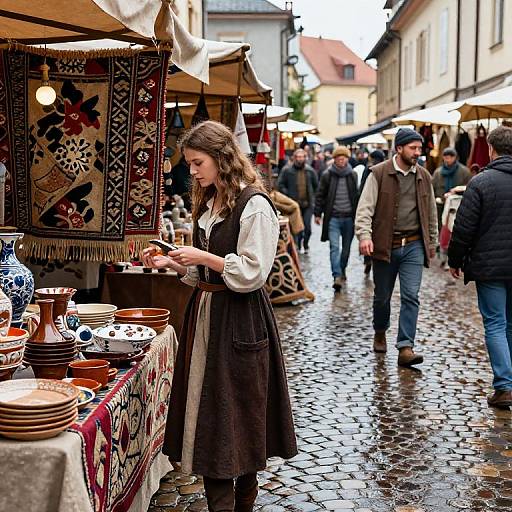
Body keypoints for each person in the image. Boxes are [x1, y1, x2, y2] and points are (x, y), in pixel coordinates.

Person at [142, 120, 297, 511]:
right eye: (190, 164)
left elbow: (252, 272)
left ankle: (243, 499)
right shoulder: (209, 203)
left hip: (241, 320)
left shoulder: (255, 205)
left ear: (221, 158)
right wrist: (171, 262)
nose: (191, 171)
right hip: (205, 317)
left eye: (197, 163)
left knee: (240, 416)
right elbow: (204, 273)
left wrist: (203, 256)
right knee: (210, 417)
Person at [355, 127, 438, 367]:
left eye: (419, 148)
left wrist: (431, 240)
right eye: (413, 148)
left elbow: (431, 211)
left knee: (411, 296)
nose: (417, 153)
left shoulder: (423, 175)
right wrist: (364, 236)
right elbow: (365, 209)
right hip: (385, 245)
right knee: (382, 297)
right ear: (399, 148)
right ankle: (380, 330)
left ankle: (406, 347)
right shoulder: (378, 174)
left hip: (413, 245)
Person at [448, 126, 512, 409]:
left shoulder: (481, 182)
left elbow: (463, 227)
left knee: (496, 323)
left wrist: (455, 260)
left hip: (489, 266)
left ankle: (504, 385)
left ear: (491, 149)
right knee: (509, 323)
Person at [314, 146, 358, 290]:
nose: (341, 159)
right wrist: (317, 213)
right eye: (339, 157)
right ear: (334, 159)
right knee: (334, 247)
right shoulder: (327, 175)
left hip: (349, 218)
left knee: (346, 249)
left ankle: (342, 268)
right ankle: (337, 276)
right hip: (333, 217)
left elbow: (356, 196)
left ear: (347, 159)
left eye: (344, 157)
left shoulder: (352, 175)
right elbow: (320, 195)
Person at [278, 148, 318, 253]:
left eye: (302, 157)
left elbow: (316, 186)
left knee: (308, 227)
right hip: (295, 205)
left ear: (305, 158)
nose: (300, 159)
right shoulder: (287, 170)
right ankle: (298, 245)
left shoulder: (310, 171)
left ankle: (306, 244)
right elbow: (280, 185)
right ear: (294, 158)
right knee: (297, 227)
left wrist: (314, 199)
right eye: (298, 157)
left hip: (308, 204)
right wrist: (287, 195)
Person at [431, 147, 471, 231]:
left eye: (449, 157)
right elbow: (432, 188)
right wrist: (437, 198)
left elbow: (469, 188)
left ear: (454, 157)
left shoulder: (464, 172)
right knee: (440, 226)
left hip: (457, 205)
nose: (447, 160)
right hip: (440, 204)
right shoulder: (438, 172)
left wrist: (456, 192)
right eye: (445, 157)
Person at [359, 149, 386, 275]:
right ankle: (373, 259)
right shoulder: (383, 170)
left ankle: (368, 258)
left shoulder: (369, 169)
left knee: (368, 234)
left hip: (370, 207)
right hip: (380, 209)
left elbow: (361, 190)